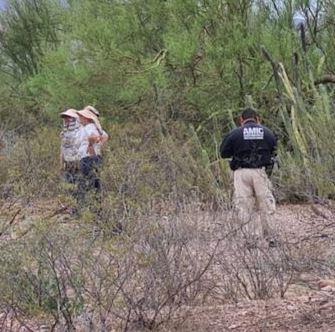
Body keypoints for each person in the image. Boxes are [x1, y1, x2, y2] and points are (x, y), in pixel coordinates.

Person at [220, 108, 277, 246]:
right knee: (266, 204)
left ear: (241, 120)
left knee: (244, 206)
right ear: (258, 118)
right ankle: (271, 239)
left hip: (241, 173)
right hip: (260, 172)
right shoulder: (267, 132)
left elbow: (223, 153)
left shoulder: (234, 133)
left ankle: (250, 239)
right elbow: (274, 150)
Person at [77, 109, 108, 198]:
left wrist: (91, 144)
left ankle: (89, 205)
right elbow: (105, 136)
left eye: (81, 117)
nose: (80, 119)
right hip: (95, 157)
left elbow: (94, 137)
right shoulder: (96, 127)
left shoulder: (89, 127)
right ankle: (97, 206)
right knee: (96, 183)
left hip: (88, 159)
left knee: (88, 182)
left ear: (86, 118)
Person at [59, 108, 82, 185]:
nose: (66, 119)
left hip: (78, 163)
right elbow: (62, 149)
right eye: (65, 117)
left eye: (69, 117)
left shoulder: (81, 131)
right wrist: (61, 163)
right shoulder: (64, 133)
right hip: (67, 163)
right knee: (68, 185)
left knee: (79, 184)